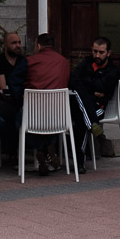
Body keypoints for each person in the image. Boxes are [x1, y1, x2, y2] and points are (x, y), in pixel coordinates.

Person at [69, 37, 120, 170]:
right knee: (82, 113)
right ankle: (92, 124)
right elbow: (72, 80)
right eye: (95, 51)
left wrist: (85, 85)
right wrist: (93, 90)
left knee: (81, 119)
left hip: (99, 108)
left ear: (108, 53)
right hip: (85, 106)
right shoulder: (86, 63)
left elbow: (103, 86)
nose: (97, 55)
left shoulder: (113, 71)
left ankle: (79, 161)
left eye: (101, 52)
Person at [24, 33, 71, 176]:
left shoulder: (30, 61)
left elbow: (21, 81)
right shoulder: (64, 62)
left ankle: (39, 150)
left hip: (35, 113)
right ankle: (49, 146)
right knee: (46, 123)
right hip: (58, 116)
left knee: (20, 120)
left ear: (38, 45)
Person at [0, 31, 27, 154]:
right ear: (5, 45)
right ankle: (13, 151)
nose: (18, 46)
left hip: (19, 100)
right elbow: (3, 89)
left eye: (19, 42)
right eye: (14, 43)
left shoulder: (23, 61)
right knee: (14, 113)